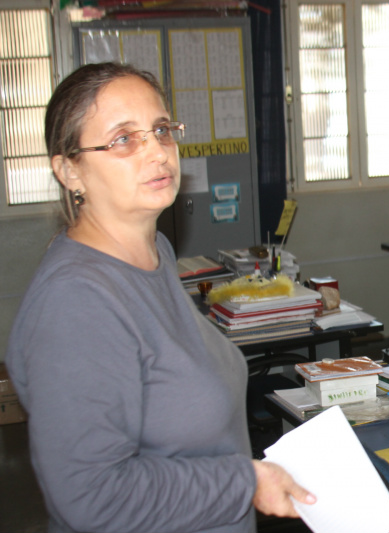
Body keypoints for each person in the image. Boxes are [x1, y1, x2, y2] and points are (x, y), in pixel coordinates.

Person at [5, 62, 315, 533]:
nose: (157, 152)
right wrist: (243, 482)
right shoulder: (77, 301)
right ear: (70, 171)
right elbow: (92, 497)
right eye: (124, 139)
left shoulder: (156, 254)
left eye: (161, 130)